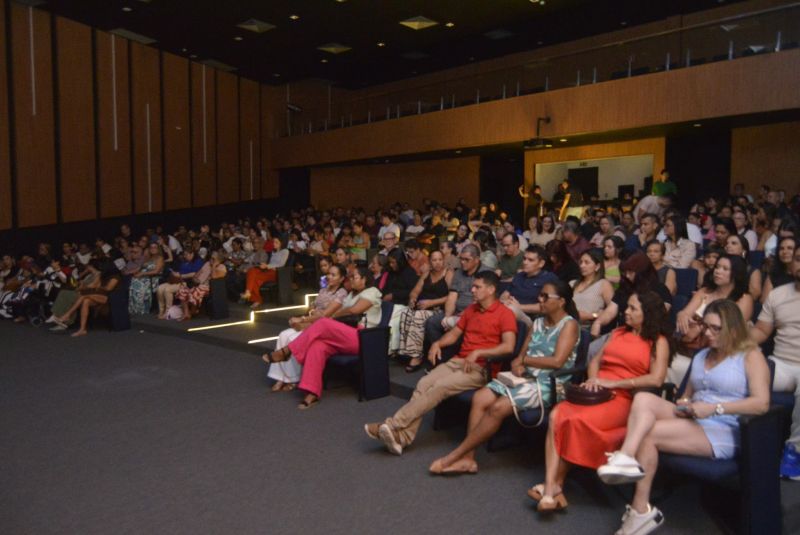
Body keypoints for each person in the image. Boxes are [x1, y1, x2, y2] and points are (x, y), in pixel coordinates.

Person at [598, 300, 769, 534]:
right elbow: (687, 395)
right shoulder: (702, 356)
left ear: (733, 327)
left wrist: (716, 408)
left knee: (649, 434)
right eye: (706, 327)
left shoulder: (750, 356)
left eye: (716, 328)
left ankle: (640, 510)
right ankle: (626, 456)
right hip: (696, 416)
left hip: (725, 427)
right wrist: (685, 404)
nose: (708, 333)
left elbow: (762, 404)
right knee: (643, 399)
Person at [528, 291, 671, 512]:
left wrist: (614, 384)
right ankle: (550, 486)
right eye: (628, 307)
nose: (626, 311)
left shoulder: (658, 342)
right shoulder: (618, 332)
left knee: (573, 419)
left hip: (625, 399)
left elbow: (656, 378)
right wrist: (595, 379)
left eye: (633, 308)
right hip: (598, 391)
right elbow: (595, 360)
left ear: (648, 314)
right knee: (558, 413)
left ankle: (555, 486)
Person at [429, 280, 580, 474]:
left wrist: (525, 361)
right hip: (526, 377)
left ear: (561, 302)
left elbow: (557, 362)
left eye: (545, 296)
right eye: (540, 295)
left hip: (550, 383)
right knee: (480, 397)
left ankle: (455, 455)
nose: (539, 299)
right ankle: (468, 459)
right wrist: (518, 365)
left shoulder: (569, 325)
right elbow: (519, 357)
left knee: (497, 408)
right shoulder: (538, 322)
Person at [364, 271, 517, 455]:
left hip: (480, 368)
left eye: (477, 287)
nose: (472, 289)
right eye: (473, 286)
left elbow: (509, 347)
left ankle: (392, 424)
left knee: (440, 386)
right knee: (423, 383)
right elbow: (453, 335)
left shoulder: (504, 314)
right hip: (458, 361)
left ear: (491, 289)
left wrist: (479, 352)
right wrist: (437, 343)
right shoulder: (471, 309)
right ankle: (402, 438)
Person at [264, 265, 383, 409]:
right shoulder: (351, 294)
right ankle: (312, 392)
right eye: (350, 277)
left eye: (354, 277)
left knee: (324, 323)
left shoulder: (372, 291)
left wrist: (335, 314)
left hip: (365, 337)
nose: (351, 280)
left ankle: (288, 351)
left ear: (364, 279)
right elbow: (343, 312)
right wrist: (337, 314)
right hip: (346, 334)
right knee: (317, 346)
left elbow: (354, 310)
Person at [750, 246, 800, 479]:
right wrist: (737, 345)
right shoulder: (778, 294)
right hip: (781, 363)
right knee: (748, 371)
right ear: (791, 265)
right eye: (798, 260)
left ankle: (794, 451)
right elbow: (761, 330)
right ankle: (742, 441)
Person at [264, 263, 348, 392]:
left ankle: (293, 378)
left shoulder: (341, 293)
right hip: (311, 321)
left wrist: (303, 319)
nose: (329, 277)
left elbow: (325, 314)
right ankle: (281, 377)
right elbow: (313, 307)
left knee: (292, 340)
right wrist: (309, 311)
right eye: (328, 274)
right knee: (283, 335)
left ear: (341, 278)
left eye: (333, 275)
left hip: (322, 327)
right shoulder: (323, 290)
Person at [670, 254, 753, 384]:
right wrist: (682, 315)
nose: (718, 271)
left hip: (719, 351)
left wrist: (700, 325)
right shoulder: (704, 291)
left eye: (725, 269)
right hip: (688, 344)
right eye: (717, 267)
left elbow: (731, 329)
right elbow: (685, 313)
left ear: (736, 274)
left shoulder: (743, 298)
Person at [423, 244, 485, 362]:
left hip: (474, 313)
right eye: (461, 258)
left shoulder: (485, 273)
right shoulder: (458, 273)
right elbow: (452, 296)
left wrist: (461, 316)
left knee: (457, 324)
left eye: (467, 260)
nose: (462, 262)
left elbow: (482, 301)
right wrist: (447, 318)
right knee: (433, 322)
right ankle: (442, 359)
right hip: (456, 312)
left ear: (477, 259)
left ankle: (448, 359)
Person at [399, 250, 452, 373]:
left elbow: (451, 296)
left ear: (444, 261)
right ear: (430, 262)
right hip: (424, 306)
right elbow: (415, 291)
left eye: (440, 259)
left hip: (439, 309)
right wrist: (413, 299)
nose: (438, 263)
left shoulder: (448, 274)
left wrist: (431, 303)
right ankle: (407, 351)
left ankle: (417, 356)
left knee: (418, 316)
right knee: (405, 313)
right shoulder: (426, 274)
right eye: (434, 260)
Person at [55, 261, 122, 337]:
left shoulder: (115, 277)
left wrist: (99, 287)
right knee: (85, 301)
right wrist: (84, 286)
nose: (101, 269)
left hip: (110, 297)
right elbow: (94, 286)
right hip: (99, 295)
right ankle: (82, 329)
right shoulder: (102, 275)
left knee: (84, 296)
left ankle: (68, 315)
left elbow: (108, 288)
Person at [498, 245, 559, 328]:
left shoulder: (549, 278)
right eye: (524, 259)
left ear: (541, 263)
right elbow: (504, 295)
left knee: (510, 310)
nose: (525, 262)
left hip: (533, 320)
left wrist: (519, 307)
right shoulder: (519, 276)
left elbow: (547, 306)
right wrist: (505, 301)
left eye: (530, 260)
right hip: (509, 311)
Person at [242, 237, 289, 309]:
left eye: (276, 242)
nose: (274, 244)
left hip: (276, 272)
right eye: (273, 242)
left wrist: (267, 266)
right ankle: (248, 292)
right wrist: (265, 266)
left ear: (281, 243)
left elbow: (281, 264)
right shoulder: (273, 251)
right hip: (268, 270)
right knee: (251, 271)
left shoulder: (285, 251)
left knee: (254, 278)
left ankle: (256, 299)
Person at [572, 249, 615, 326]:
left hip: (588, 327)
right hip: (567, 326)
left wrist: (592, 316)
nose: (582, 265)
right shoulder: (572, 284)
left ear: (597, 266)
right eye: (581, 262)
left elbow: (613, 310)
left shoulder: (603, 284)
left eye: (586, 262)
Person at [724, 233, 762, 301]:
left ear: (743, 250)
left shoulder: (752, 271)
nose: (728, 246)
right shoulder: (720, 267)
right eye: (727, 243)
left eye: (733, 243)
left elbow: (754, 295)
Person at [761, 237, 797, 304]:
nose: (785, 252)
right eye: (781, 249)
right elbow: (765, 302)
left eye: (790, 248)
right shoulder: (773, 275)